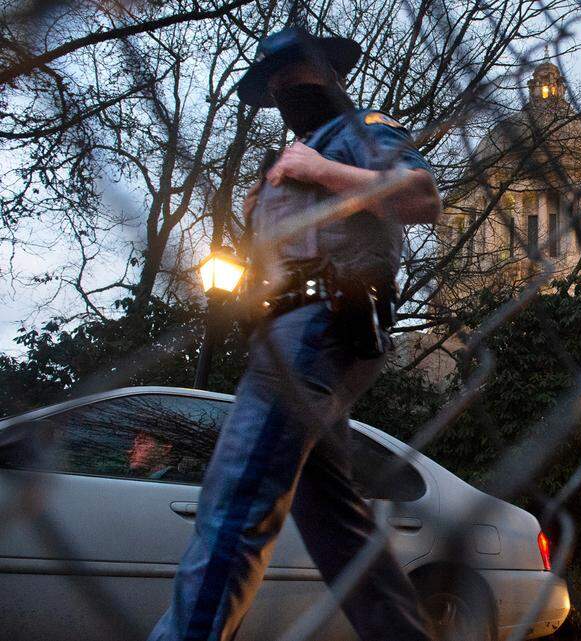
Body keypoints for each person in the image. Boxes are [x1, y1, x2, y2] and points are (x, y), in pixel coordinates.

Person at [148, 26, 441, 641]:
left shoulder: (361, 131)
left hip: (321, 324)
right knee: (333, 516)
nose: (288, 91)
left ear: (329, 75)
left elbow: (421, 196)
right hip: (285, 335)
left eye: (297, 77)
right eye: (277, 85)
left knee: (234, 501)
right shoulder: (282, 160)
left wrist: (324, 169)